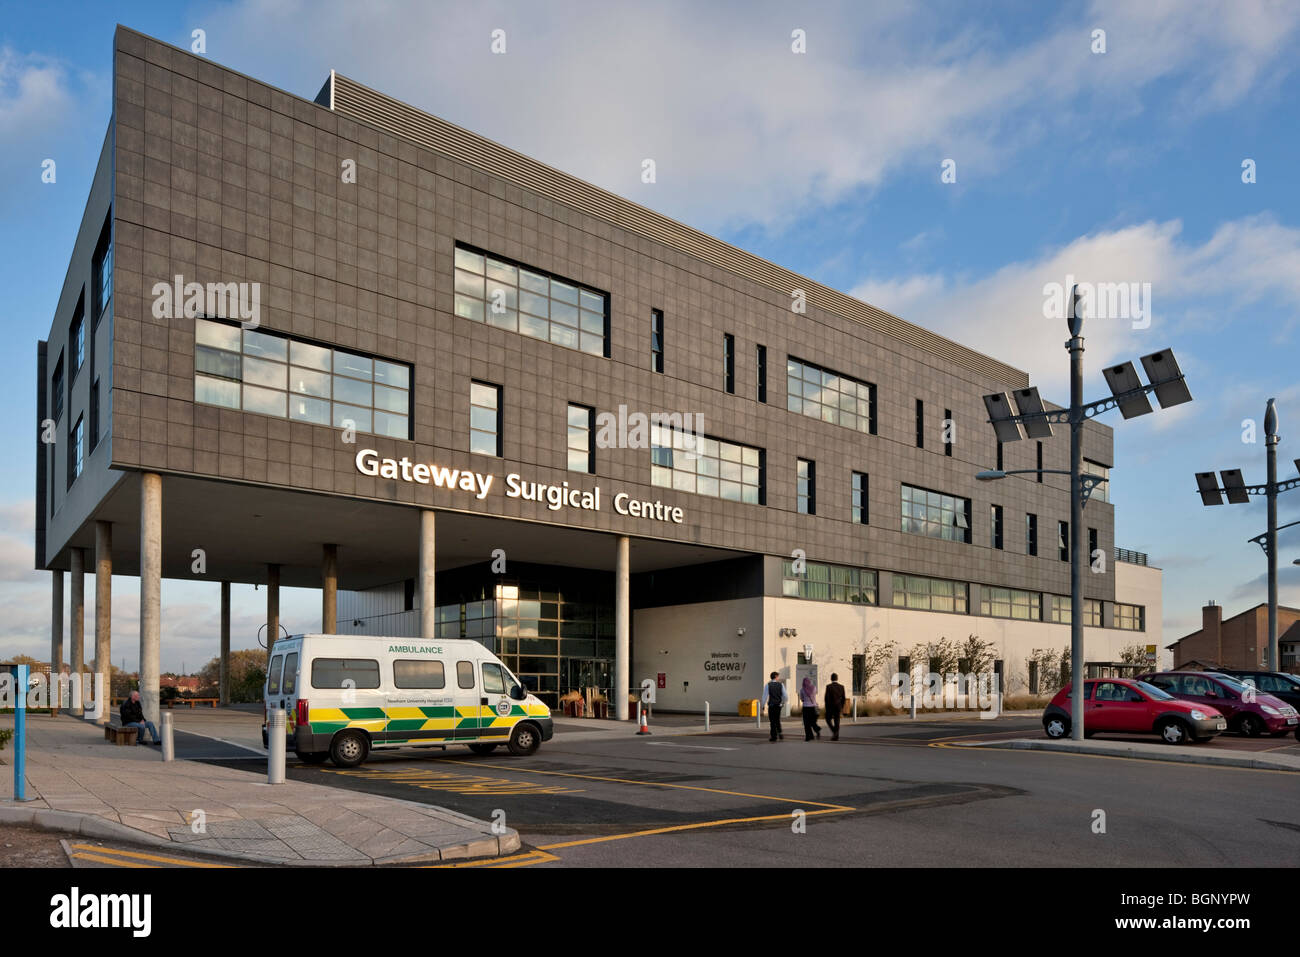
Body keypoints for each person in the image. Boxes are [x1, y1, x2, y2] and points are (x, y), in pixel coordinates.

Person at [761, 672, 785, 741]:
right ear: (776, 676)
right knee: (777, 720)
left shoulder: (768, 685)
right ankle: (780, 732)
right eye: (778, 676)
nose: (778, 678)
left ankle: (774, 736)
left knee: (772, 721)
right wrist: (782, 703)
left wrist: (763, 705)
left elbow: (764, 696)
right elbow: (785, 696)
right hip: (778, 705)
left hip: (771, 705)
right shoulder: (781, 685)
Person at [824, 673, 846, 741]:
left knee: (828, 719)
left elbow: (826, 698)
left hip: (830, 707)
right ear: (837, 678)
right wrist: (841, 706)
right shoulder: (841, 687)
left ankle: (834, 732)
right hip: (838, 706)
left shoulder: (828, 686)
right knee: (837, 721)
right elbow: (843, 698)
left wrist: (826, 707)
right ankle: (836, 736)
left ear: (831, 678)